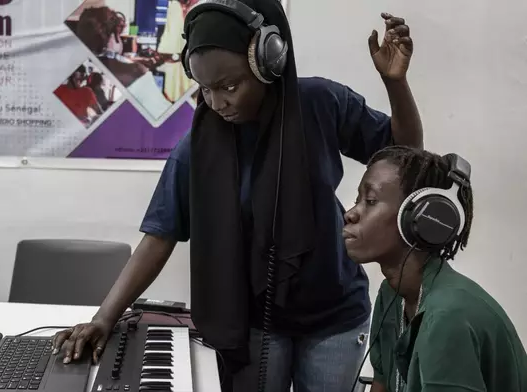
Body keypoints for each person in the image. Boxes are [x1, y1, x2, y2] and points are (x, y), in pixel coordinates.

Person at [53, 0, 423, 390]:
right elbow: (159, 236)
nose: (217, 103)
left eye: (229, 86)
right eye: (206, 89)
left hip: (335, 316)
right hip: (252, 324)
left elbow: (406, 155)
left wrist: (395, 83)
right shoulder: (196, 149)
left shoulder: (320, 104)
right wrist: (104, 317)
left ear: (269, 64)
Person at [343, 145, 527, 392]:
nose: (351, 214)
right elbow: (383, 383)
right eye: (358, 200)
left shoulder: (449, 318)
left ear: (422, 220)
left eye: (371, 201)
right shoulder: (392, 295)